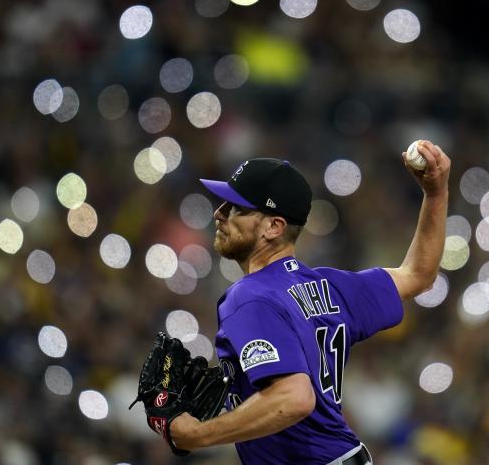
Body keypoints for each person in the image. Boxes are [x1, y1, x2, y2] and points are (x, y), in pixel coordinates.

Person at [167, 141, 451, 464]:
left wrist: (197, 434)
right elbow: (419, 274)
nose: (219, 214)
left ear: (274, 227)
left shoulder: (248, 298)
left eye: (236, 207)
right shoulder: (331, 285)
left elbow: (295, 398)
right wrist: (436, 193)